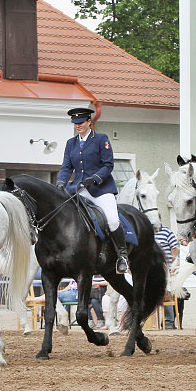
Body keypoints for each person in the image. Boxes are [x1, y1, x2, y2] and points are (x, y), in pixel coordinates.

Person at [56, 107, 129, 273]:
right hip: (78, 188)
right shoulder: (71, 143)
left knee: (112, 220)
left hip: (101, 189)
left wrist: (95, 178)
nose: (78, 126)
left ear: (89, 121)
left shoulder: (101, 139)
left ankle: (122, 255)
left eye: (81, 122)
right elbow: (66, 167)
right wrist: (61, 182)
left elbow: (108, 164)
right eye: (75, 123)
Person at [154, 223, 180, 329]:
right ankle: (152, 323)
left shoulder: (167, 232)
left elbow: (175, 248)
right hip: (151, 268)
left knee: (166, 292)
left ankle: (169, 321)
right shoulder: (147, 231)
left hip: (164, 268)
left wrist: (170, 263)